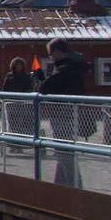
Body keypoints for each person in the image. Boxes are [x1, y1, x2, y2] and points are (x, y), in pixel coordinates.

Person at [39, 37, 89, 186]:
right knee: (63, 152)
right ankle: (60, 185)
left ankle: (75, 186)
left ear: (57, 52)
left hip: (63, 114)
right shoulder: (75, 65)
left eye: (51, 54)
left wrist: (40, 79)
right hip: (70, 113)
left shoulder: (65, 67)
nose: (51, 57)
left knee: (65, 153)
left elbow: (46, 87)